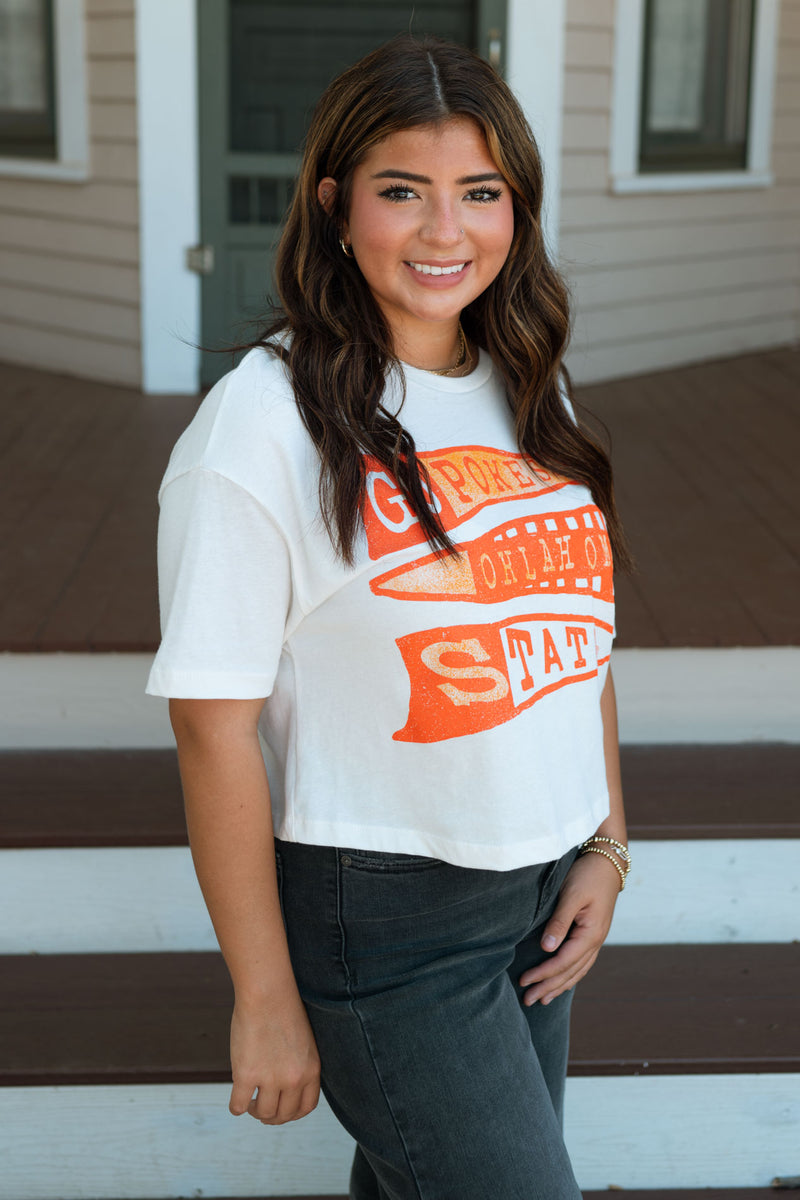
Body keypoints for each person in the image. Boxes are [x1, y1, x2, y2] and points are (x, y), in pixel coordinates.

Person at [147, 34, 632, 1200]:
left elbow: (577, 643)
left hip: (541, 889)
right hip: (388, 914)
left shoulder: (528, 379)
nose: (442, 232)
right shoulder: (260, 424)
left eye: (479, 194)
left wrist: (606, 843)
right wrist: (262, 997)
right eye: (400, 192)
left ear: (515, 209)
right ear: (334, 204)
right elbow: (215, 727)